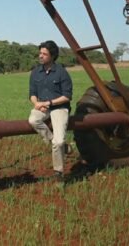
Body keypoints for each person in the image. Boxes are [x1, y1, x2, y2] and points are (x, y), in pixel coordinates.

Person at [27, 40, 73, 181]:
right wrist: (36, 103)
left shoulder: (61, 73)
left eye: (44, 54)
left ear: (52, 56)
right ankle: (61, 145)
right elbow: (32, 93)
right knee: (33, 120)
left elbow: (67, 96)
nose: (40, 56)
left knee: (58, 142)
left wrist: (49, 102)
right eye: (40, 53)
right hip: (42, 107)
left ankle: (58, 173)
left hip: (59, 107)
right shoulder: (36, 72)